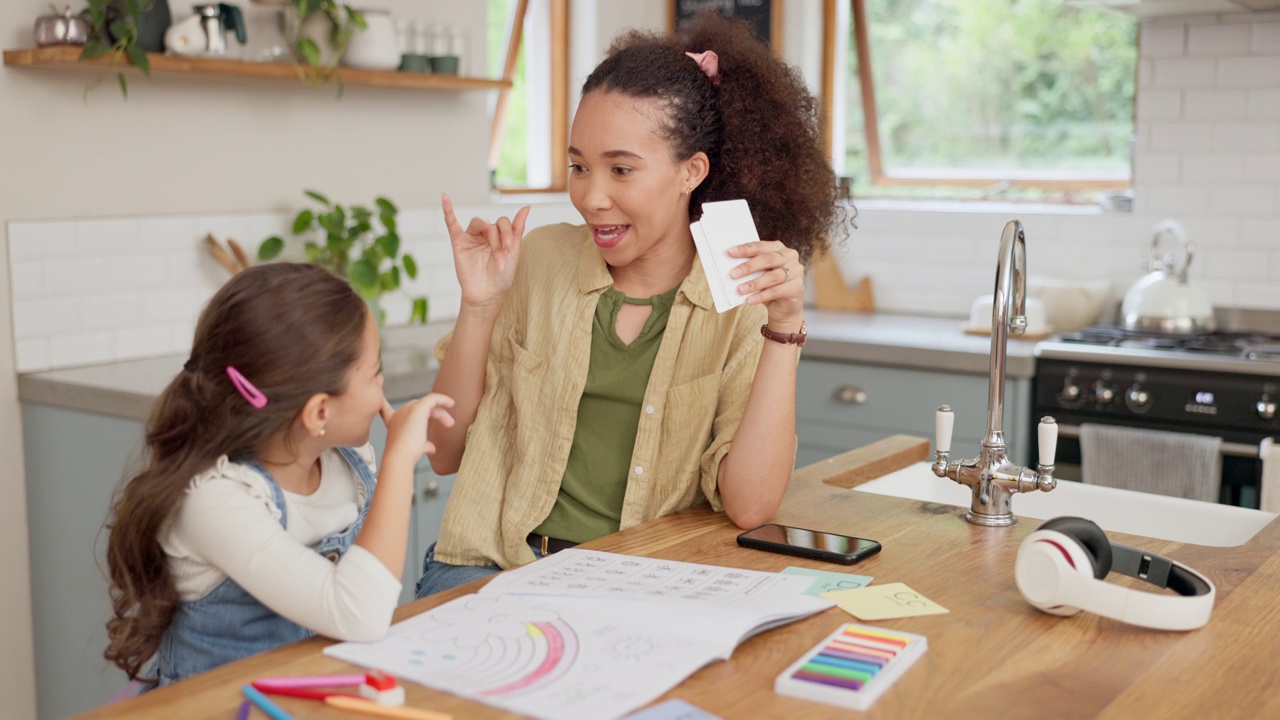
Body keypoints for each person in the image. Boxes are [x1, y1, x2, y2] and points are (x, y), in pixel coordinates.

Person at [416, 12, 845, 598]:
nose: (592, 197)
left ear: (691, 172)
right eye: (578, 166)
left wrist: (786, 328)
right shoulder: (538, 260)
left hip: (639, 585)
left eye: (621, 169)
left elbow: (749, 505)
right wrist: (479, 306)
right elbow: (443, 454)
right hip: (490, 568)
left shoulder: (739, 295)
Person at [102, 263, 455, 686]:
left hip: (313, 693)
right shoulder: (215, 500)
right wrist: (400, 460)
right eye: (376, 373)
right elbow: (360, 613)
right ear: (319, 412)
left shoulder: (347, 460)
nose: (383, 388)